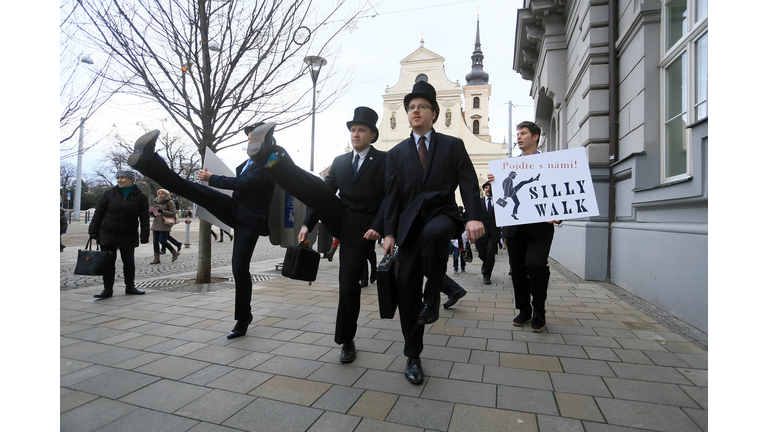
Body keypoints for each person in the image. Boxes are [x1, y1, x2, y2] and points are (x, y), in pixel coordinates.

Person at [247, 107, 388, 364]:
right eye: (352, 130)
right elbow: (323, 194)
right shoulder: (340, 161)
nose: (355, 134)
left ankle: (347, 340)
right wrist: (306, 225)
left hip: (364, 229)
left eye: (361, 130)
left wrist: (380, 227)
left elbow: (391, 198)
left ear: (372, 135)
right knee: (317, 187)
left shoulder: (385, 160)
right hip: (339, 217)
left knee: (347, 285)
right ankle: (273, 155)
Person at [127, 126, 275, 339]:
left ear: (265, 142)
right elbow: (241, 185)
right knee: (187, 187)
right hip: (233, 208)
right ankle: (149, 161)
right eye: (249, 139)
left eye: (253, 140)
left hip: (250, 220)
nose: (249, 143)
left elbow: (244, 183)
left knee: (239, 268)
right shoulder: (247, 163)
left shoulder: (270, 162)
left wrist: (211, 178)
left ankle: (243, 318)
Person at [381, 81, 484, 385]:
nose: (415, 110)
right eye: (411, 107)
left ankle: (434, 294)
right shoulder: (396, 154)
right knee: (406, 291)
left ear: (434, 113)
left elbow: (468, 184)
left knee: (435, 234)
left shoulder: (453, 145)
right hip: (408, 229)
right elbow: (391, 198)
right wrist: (389, 233)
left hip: (442, 215)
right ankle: (413, 355)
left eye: (421, 106)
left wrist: (473, 219)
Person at [488, 121, 559, 333]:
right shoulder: (508, 167)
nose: (518, 137)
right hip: (515, 229)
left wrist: (559, 215)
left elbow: (560, 191)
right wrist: (494, 184)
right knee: (517, 271)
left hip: (540, 229)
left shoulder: (550, 163)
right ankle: (524, 310)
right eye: (517, 134)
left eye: (523, 133)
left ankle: (539, 311)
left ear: (535, 137)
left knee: (536, 266)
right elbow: (504, 195)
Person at [88, 170, 150, 298]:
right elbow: (99, 212)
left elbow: (144, 217)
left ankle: (130, 286)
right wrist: (93, 231)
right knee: (108, 262)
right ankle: (107, 289)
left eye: (123, 178)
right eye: (118, 178)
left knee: (129, 261)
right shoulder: (109, 194)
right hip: (108, 232)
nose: (119, 180)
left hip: (129, 233)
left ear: (131, 180)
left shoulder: (140, 197)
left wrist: (145, 235)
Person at [476, 182, 501, 285]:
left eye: (490, 188)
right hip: (481, 232)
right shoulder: (478, 202)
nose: (488, 189)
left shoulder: (499, 202)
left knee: (490, 253)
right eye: (486, 187)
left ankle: (487, 275)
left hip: (494, 232)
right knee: (483, 253)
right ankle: (485, 264)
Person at [149, 189, 181, 264]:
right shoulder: (156, 201)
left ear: (166, 195)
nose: (160, 195)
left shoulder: (169, 202)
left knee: (162, 241)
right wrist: (152, 212)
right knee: (155, 242)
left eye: (162, 194)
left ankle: (174, 252)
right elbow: (155, 214)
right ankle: (156, 258)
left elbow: (173, 213)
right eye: (159, 194)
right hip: (156, 223)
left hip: (165, 224)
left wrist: (162, 211)